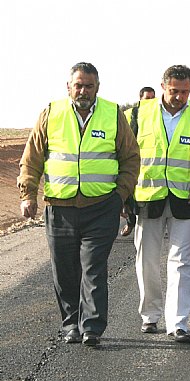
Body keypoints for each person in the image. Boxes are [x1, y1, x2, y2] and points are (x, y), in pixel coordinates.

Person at [17, 62, 140, 347]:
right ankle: (71, 324)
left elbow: (131, 158)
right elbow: (32, 157)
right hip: (59, 208)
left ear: (98, 87)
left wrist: (119, 196)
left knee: (94, 267)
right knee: (65, 270)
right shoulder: (51, 112)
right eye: (79, 85)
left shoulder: (113, 114)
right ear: (69, 86)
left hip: (101, 207)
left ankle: (92, 328)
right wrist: (27, 194)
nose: (83, 91)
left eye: (89, 86)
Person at [132, 65, 190, 344]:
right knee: (147, 261)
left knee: (183, 262)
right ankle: (150, 316)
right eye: (175, 91)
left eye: (185, 92)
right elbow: (129, 155)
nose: (179, 97)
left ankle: (178, 322)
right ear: (163, 86)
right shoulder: (140, 112)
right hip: (148, 198)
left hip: (186, 200)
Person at [120, 86, 156, 237]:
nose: (150, 102)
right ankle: (130, 221)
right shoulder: (129, 114)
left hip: (147, 165)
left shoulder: (157, 117)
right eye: (147, 98)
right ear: (140, 98)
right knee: (126, 195)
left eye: (152, 99)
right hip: (130, 161)